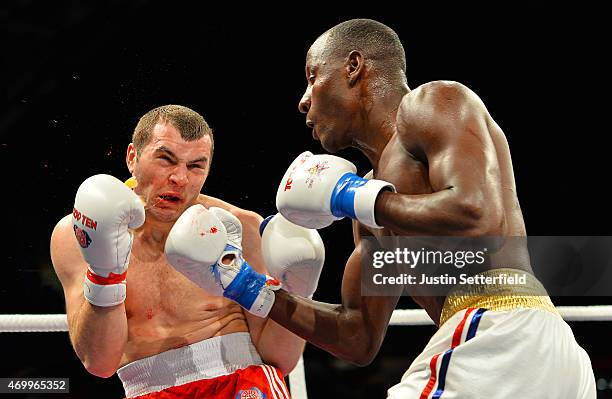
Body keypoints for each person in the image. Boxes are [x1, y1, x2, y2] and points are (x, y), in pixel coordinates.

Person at [193, 19, 596, 398]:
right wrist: (244, 284)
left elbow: (478, 215)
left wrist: (350, 197)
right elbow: (358, 336)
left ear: (353, 66)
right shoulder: (371, 208)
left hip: (501, 330)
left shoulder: (435, 102)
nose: (303, 102)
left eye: (313, 78)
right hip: (526, 351)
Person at [50, 104, 325, 399]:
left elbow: (280, 359)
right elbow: (99, 362)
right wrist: (106, 274)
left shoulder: (240, 227)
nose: (180, 178)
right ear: (132, 157)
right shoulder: (77, 232)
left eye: (195, 166)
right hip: (147, 390)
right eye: (166, 160)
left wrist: (299, 292)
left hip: (241, 383)